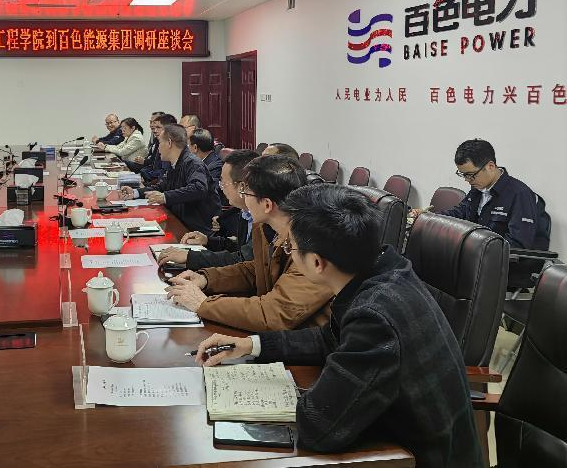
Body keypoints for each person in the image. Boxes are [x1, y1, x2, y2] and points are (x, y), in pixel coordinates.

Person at [194, 184, 483, 468]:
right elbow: (331, 338)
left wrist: (282, 398)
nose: (288, 252)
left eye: (291, 246)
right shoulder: (382, 273)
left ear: (317, 262)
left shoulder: (375, 316)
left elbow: (318, 428)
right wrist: (252, 345)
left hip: (413, 458)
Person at [165, 155, 333, 332]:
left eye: (246, 192)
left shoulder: (312, 245)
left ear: (267, 205)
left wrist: (204, 304)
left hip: (305, 342)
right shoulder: (266, 227)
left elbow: (274, 313)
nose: (243, 197)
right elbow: (255, 270)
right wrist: (206, 279)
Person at [410, 138, 541, 249]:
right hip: (474, 254)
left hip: (497, 262)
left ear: (490, 166)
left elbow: (517, 245)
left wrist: (474, 249)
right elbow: (460, 213)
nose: (467, 180)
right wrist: (429, 217)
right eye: (463, 175)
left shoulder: (519, 194)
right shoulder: (478, 188)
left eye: (471, 175)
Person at [156, 149, 259, 270]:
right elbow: (240, 248)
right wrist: (207, 241)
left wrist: (191, 257)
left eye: (223, 183)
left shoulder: (262, 216)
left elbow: (243, 259)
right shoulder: (245, 212)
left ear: (242, 186)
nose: (221, 189)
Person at [119, 124, 220, 233]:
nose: (158, 148)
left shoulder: (193, 163)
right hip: (179, 220)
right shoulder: (175, 163)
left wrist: (165, 197)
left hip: (196, 229)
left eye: (160, 142)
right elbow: (162, 187)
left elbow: (198, 188)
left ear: (169, 143)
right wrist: (135, 193)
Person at [138, 113, 176, 185]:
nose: (155, 130)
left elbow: (164, 174)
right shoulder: (158, 141)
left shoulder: (171, 147)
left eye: (158, 127)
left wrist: (146, 184)